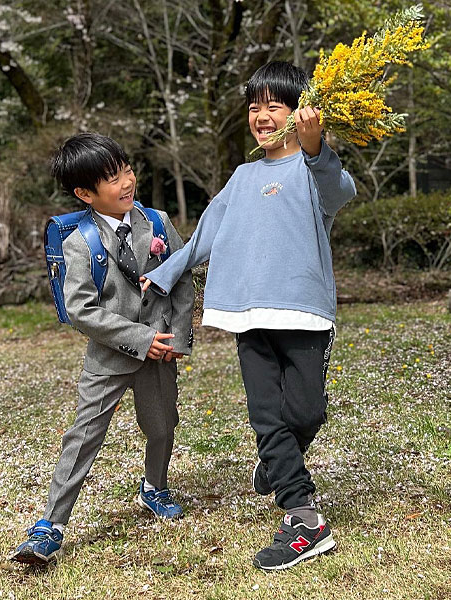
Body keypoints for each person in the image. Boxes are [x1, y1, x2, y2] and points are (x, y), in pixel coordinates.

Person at [142, 61, 356, 571]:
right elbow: (204, 238)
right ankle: (304, 518)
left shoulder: (312, 166)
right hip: (249, 314)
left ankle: (276, 467)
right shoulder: (242, 177)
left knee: (306, 413)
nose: (261, 116)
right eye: (254, 107)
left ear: (299, 113)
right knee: (266, 414)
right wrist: (167, 272)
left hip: (304, 313)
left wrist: (316, 147)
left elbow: (340, 194)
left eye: (274, 106)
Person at [11, 133, 194, 565]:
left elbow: (182, 277)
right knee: (84, 437)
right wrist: (138, 339)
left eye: (126, 169)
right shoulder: (80, 242)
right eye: (113, 178)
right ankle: (51, 526)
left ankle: (155, 486)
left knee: (163, 425)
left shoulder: (159, 223)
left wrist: (178, 338)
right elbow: (81, 310)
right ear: (85, 193)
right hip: (109, 358)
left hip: (161, 353)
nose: (127, 181)